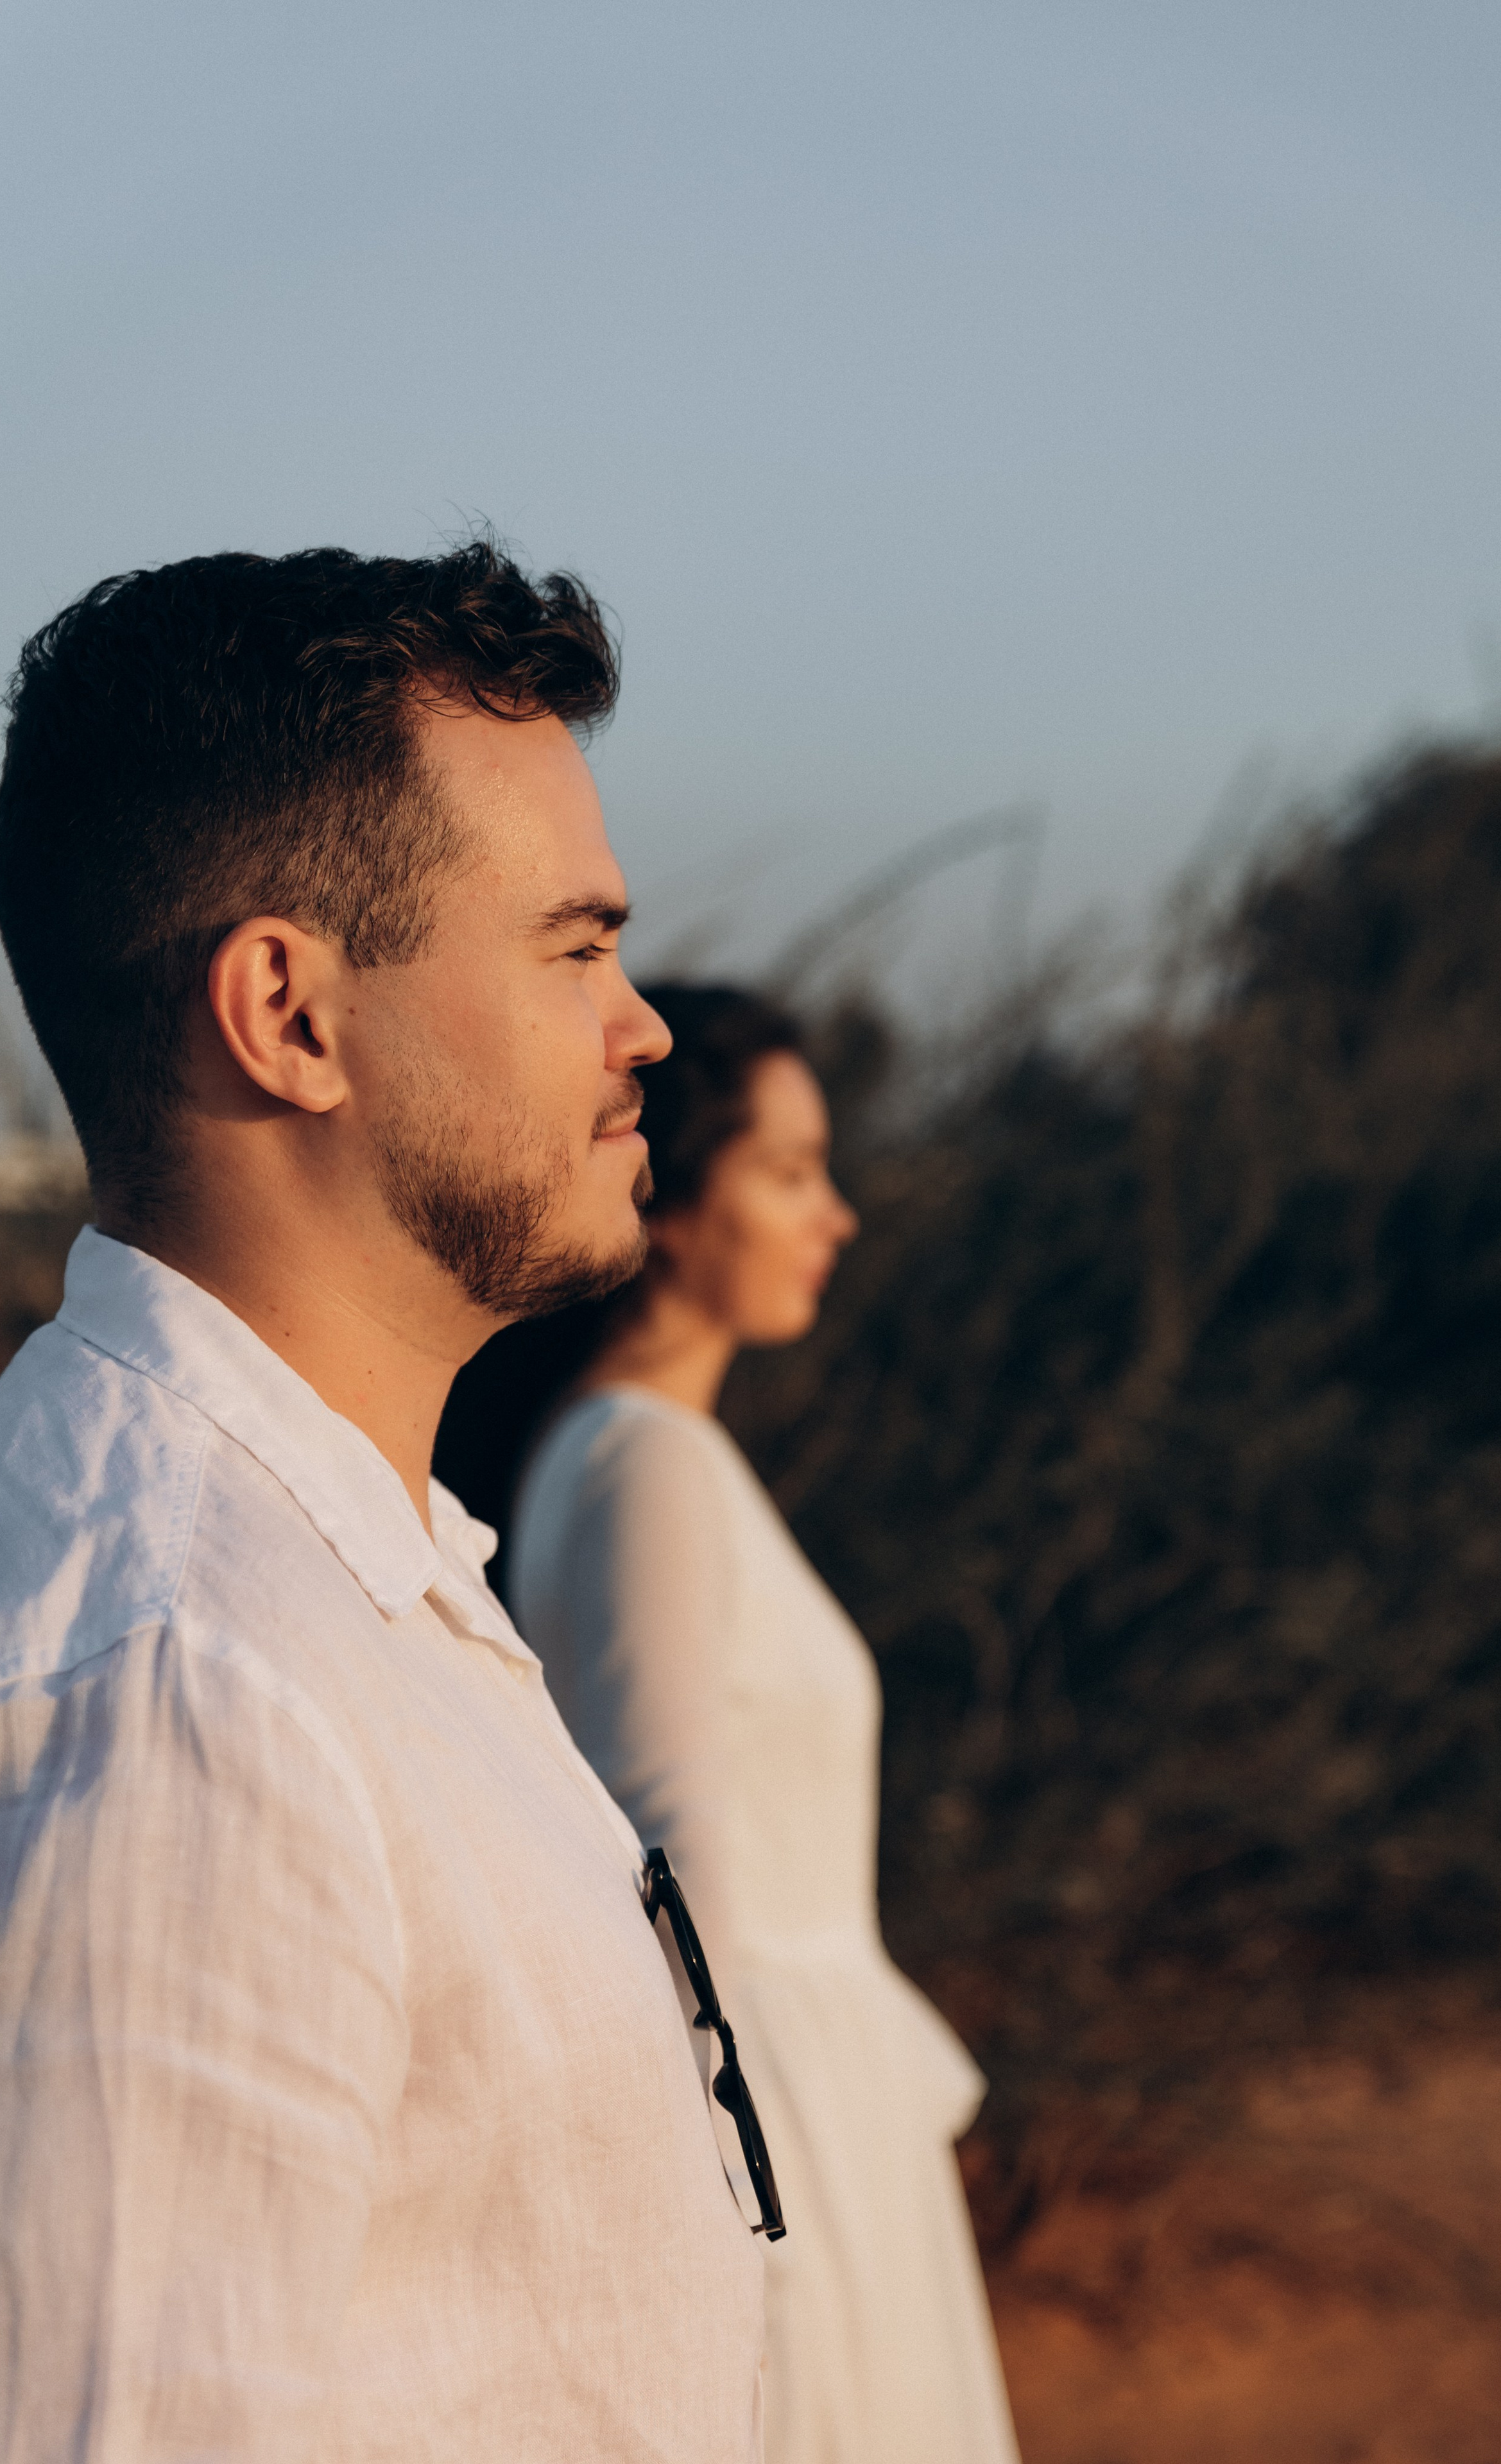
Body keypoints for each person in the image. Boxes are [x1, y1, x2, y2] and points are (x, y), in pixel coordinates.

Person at [0, 548, 768, 2461]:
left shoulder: (332, 1583)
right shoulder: (177, 1697)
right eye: (574, 949)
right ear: (289, 1016)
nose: (643, 1028)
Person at [445, 984, 1022, 2464]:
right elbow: (668, 1845)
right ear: (673, 1200)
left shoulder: (642, 1452)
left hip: (806, 2082)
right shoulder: (642, 1462)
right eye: (787, 1171)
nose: (834, 1214)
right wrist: (738, 2211)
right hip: (777, 2106)